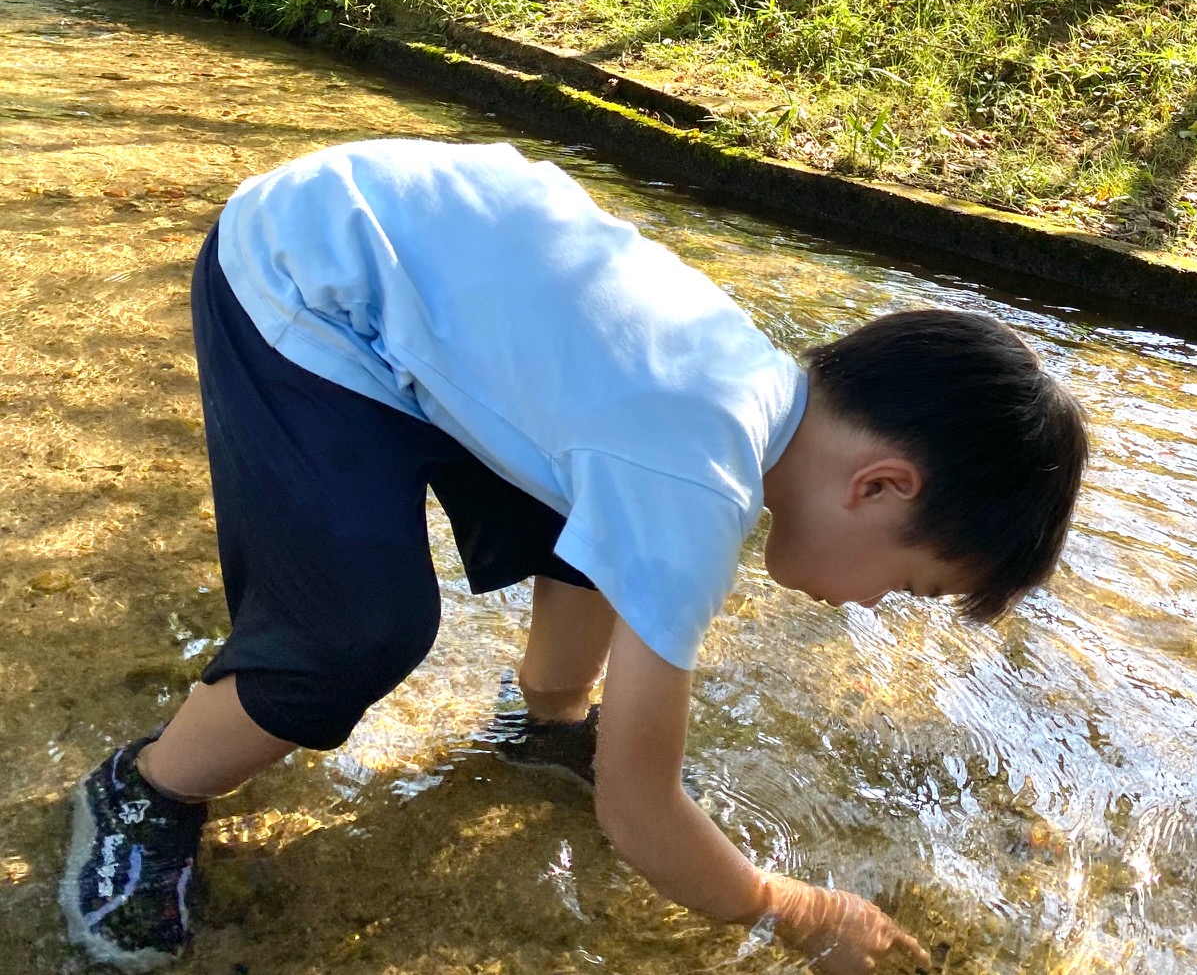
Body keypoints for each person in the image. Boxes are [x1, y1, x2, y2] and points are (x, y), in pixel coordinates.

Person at [60, 138, 1088, 973]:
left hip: (389, 239)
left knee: (598, 522)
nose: (871, 605)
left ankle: (545, 714)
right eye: (907, 582)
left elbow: (607, 535)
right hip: (301, 280)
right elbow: (637, 810)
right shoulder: (701, 478)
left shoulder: (743, 392)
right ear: (879, 487)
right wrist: (792, 906)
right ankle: (148, 787)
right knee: (356, 627)